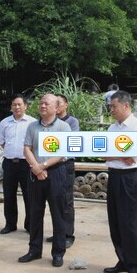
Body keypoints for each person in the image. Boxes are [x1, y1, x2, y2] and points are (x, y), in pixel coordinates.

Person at [19, 93, 72, 267]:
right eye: (41, 103)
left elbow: (63, 152)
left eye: (46, 104)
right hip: (35, 172)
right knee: (35, 213)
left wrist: (43, 166)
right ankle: (34, 250)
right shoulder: (32, 126)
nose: (42, 106)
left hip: (56, 172)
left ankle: (58, 252)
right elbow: (27, 148)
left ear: (56, 108)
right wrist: (35, 167)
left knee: (58, 213)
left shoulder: (64, 127)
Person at [103, 90, 137, 273]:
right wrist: (121, 155)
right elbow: (105, 155)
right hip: (114, 175)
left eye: (114, 106)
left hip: (130, 178)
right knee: (115, 222)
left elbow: (136, 158)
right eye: (110, 106)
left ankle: (135, 267)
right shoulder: (112, 129)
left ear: (126, 106)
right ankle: (122, 260)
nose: (111, 110)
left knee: (129, 223)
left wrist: (119, 155)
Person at [0, 93, 36, 234]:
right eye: (14, 104)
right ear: (11, 107)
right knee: (9, 195)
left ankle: (30, 225)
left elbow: (35, 144)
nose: (17, 107)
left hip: (26, 164)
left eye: (20, 104)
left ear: (26, 106)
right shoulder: (4, 123)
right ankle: (10, 224)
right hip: (9, 163)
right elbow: (2, 142)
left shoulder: (33, 123)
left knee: (29, 195)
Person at [48, 93, 80, 248]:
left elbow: (69, 144)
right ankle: (57, 233)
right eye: (54, 103)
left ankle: (68, 234)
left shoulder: (72, 122)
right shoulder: (47, 122)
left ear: (65, 105)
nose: (57, 105)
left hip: (65, 165)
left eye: (59, 103)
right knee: (54, 200)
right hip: (49, 165)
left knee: (66, 201)